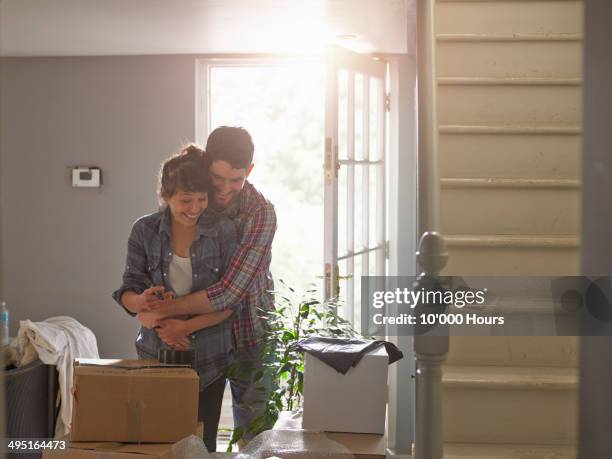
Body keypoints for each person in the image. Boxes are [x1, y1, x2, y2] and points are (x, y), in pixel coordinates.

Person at [139, 126, 277, 443]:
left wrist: (161, 311)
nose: (225, 189)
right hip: (199, 340)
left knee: (254, 437)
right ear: (207, 165)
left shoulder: (261, 214)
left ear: (250, 172)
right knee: (194, 436)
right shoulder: (192, 201)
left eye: (236, 180)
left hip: (249, 335)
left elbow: (229, 293)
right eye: (218, 178)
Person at [112, 146, 240, 452]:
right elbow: (127, 292)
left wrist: (183, 328)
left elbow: (229, 300)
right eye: (185, 200)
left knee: (201, 444)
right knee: (159, 441)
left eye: (202, 199)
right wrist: (142, 303)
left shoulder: (223, 231)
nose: (195, 208)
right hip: (156, 356)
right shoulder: (144, 231)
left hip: (209, 357)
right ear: (165, 196)